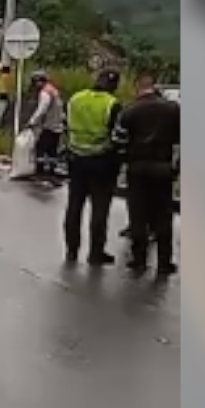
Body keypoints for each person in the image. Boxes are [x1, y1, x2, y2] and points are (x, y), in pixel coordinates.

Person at [114, 72, 180, 276]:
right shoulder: (173, 109)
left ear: (138, 88)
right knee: (163, 216)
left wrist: (124, 161)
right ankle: (164, 263)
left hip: (138, 168)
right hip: (163, 168)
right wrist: (176, 167)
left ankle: (139, 260)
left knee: (138, 215)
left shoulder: (130, 110)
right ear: (154, 87)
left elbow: (118, 140)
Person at [62, 69, 124, 265]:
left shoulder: (75, 99)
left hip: (76, 159)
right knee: (100, 208)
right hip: (101, 162)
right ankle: (95, 253)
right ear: (113, 86)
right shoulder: (112, 104)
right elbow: (118, 137)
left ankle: (71, 250)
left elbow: (66, 125)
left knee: (74, 206)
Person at [25, 70, 64, 184]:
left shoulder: (45, 92)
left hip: (49, 126)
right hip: (57, 126)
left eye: (35, 83)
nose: (34, 86)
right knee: (52, 151)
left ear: (39, 82)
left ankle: (40, 173)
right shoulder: (53, 90)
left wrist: (32, 121)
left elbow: (42, 109)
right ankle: (52, 173)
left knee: (40, 149)